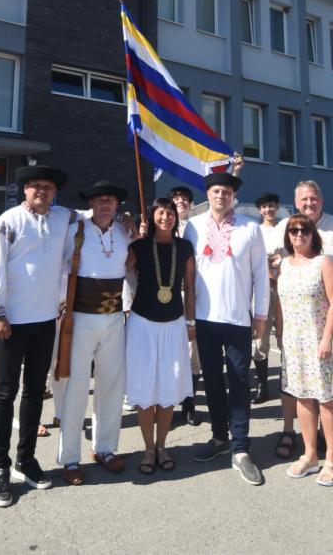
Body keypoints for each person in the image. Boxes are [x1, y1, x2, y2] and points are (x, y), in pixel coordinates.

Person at [0, 165, 71, 508]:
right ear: (24, 190)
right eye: (35, 186)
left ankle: (26, 459)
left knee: (34, 392)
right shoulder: (9, 221)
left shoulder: (62, 218)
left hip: (45, 320)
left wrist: (123, 219)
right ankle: (0, 468)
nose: (41, 191)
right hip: (12, 321)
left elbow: (94, 214)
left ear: (55, 192)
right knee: (6, 392)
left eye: (47, 186)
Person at [186, 171, 269, 486]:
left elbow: (260, 273)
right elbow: (187, 275)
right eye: (216, 191)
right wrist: (189, 318)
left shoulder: (250, 227)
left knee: (239, 382)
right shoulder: (193, 227)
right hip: (205, 318)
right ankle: (219, 436)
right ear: (208, 195)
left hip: (237, 319)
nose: (221, 196)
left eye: (226, 192)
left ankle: (241, 447)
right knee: (212, 381)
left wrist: (260, 315)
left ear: (233, 196)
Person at [269, 181, 333, 460]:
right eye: (304, 199)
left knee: (326, 390)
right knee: (297, 388)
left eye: (313, 198)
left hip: (324, 321)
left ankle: (329, 443)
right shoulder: (285, 227)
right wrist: (278, 329)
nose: (309, 203)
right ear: (296, 202)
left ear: (321, 200)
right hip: (294, 328)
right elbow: (270, 262)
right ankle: (293, 434)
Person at [55, 181, 131, 485]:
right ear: (91, 203)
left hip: (114, 318)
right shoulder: (76, 230)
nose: (105, 205)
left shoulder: (124, 231)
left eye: (110, 200)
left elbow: (133, 266)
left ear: (117, 205)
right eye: (100, 200)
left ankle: (105, 449)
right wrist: (59, 306)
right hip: (81, 317)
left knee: (111, 386)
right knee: (75, 387)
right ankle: (70, 457)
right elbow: (58, 268)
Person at [124, 197, 196, 475]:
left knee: (167, 387)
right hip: (142, 325)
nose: (166, 217)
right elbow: (119, 270)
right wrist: (130, 232)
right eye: (160, 213)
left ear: (176, 217)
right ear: (152, 216)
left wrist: (190, 321)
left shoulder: (185, 247)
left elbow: (190, 287)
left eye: (170, 213)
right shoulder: (139, 247)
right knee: (145, 389)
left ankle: (163, 446)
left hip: (174, 324)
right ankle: (148, 449)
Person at [278, 213, 333, 486]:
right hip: (294, 343)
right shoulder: (284, 265)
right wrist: (280, 335)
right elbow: (280, 303)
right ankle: (310, 454)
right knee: (303, 397)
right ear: (288, 235)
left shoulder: (324, 262)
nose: (299, 234)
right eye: (293, 230)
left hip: (319, 341)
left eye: (304, 230)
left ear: (312, 235)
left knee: (326, 399)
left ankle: (332, 458)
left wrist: (327, 337)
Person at [168, 184, 202, 427]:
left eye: (184, 199)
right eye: (176, 199)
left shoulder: (198, 227)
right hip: (166, 298)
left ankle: (189, 405)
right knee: (169, 354)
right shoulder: (161, 227)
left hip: (192, 295)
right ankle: (168, 403)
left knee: (192, 352)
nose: (180, 202)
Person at [252, 192, 281, 404]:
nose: (268, 210)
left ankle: (287, 380)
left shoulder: (286, 228)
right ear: (260, 210)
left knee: (285, 335)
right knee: (261, 338)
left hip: (287, 286)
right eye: (264, 207)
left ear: (277, 207)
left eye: (271, 206)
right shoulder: (256, 231)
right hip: (264, 287)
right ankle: (262, 383)